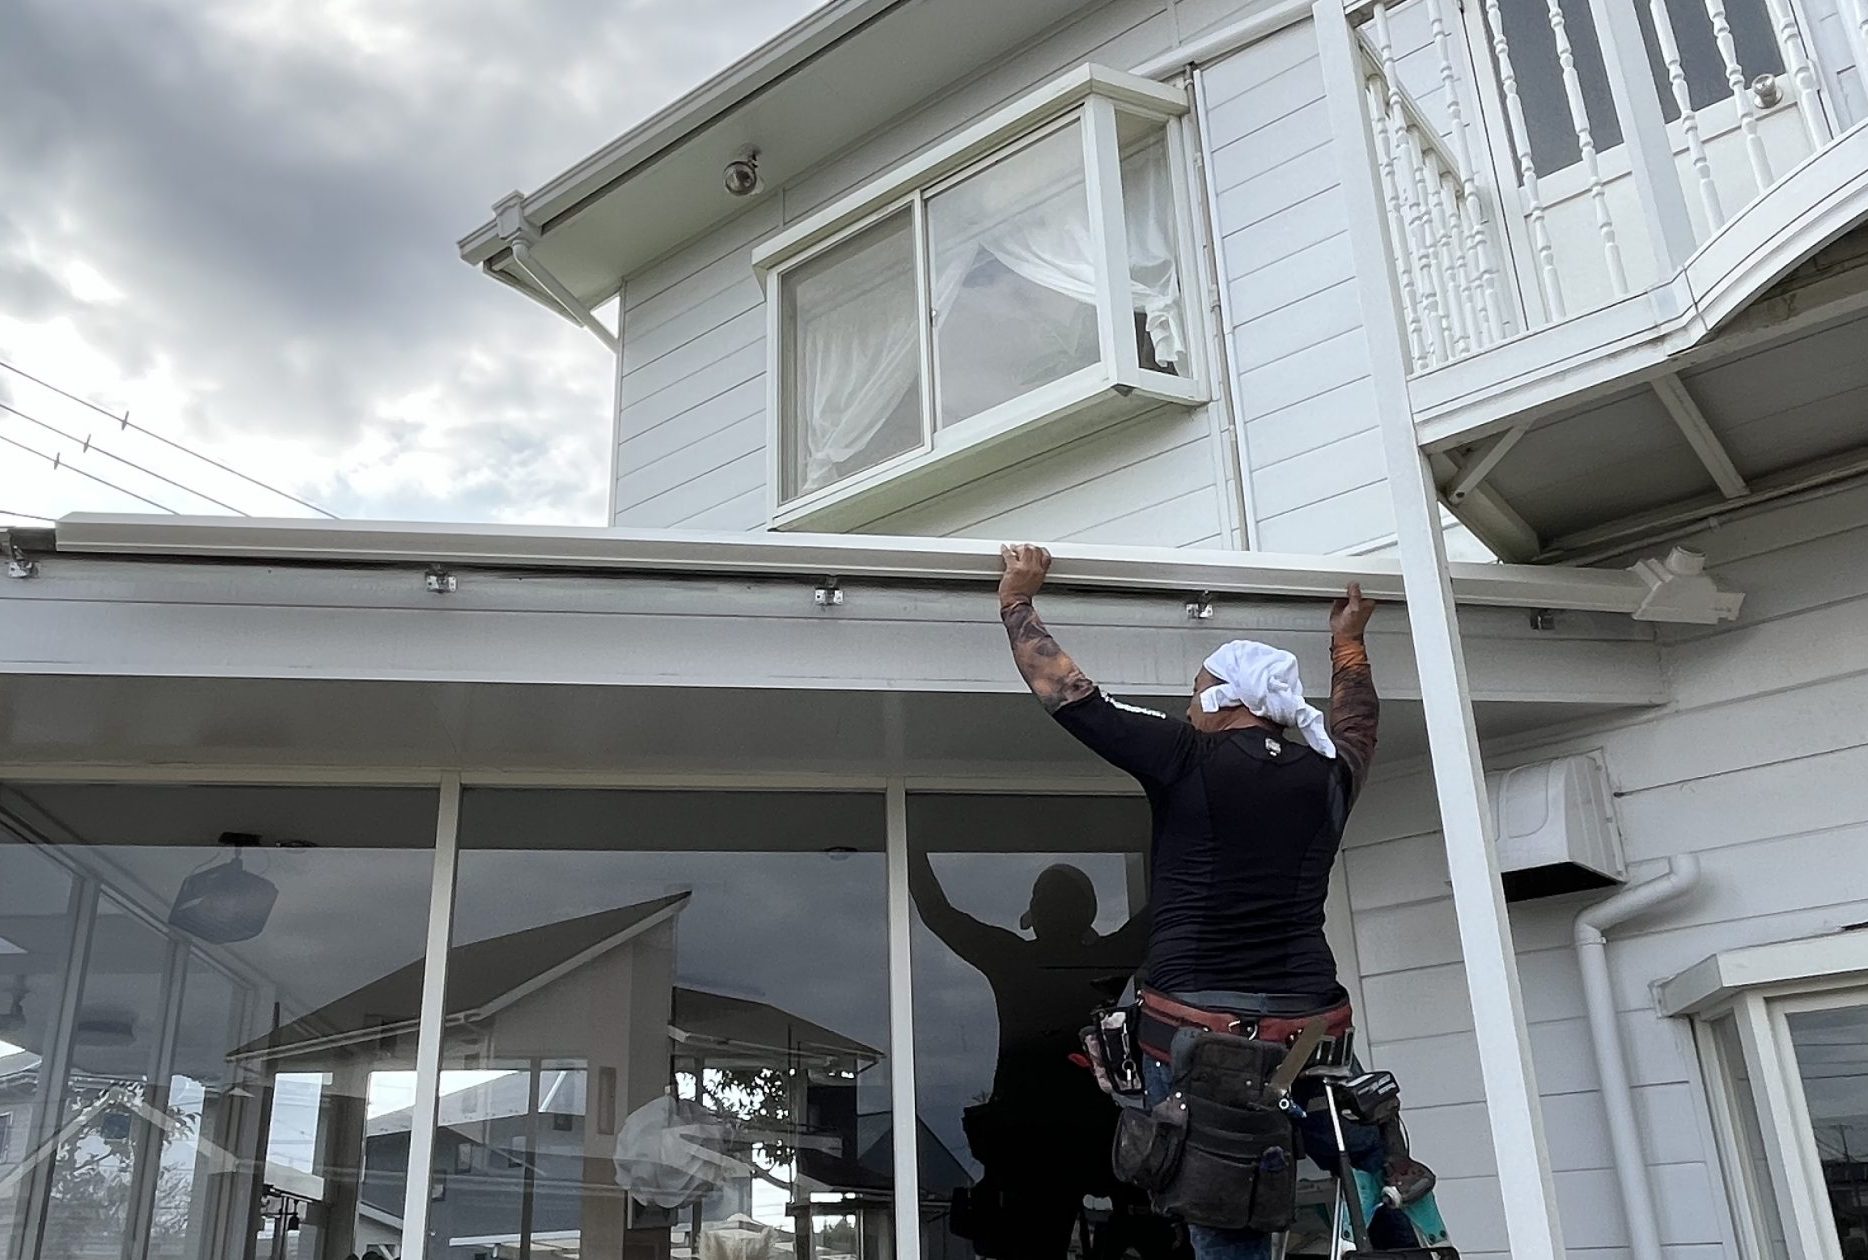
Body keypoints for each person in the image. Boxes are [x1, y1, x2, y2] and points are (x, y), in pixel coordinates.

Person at [994, 543, 1446, 1260]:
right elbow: (1359, 723)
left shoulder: (1187, 756)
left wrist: (1017, 604)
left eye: (1196, 687)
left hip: (1205, 1046)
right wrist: (1349, 646)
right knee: (1374, 1176)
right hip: (1312, 1039)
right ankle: (1399, 1210)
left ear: (1226, 699)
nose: (1184, 702)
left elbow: (1074, 699)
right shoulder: (1330, 771)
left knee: (1229, 1223)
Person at [909, 850, 1163, 1259]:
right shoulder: (1103, 961)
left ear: (1036, 913)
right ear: (1086, 918)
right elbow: (1161, 915)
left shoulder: (1013, 958)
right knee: (1137, 1225)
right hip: (1086, 1135)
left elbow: (938, 913)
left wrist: (911, 844)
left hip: (1027, 1141)